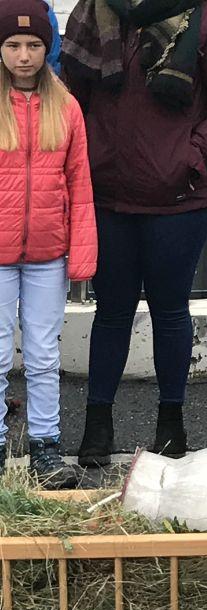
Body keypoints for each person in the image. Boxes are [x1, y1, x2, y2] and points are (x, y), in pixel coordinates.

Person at [61, 0, 207, 466]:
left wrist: (193, 157)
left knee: (170, 312)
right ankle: (97, 425)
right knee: (111, 313)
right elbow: (70, 99)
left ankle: (170, 424)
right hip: (106, 195)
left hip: (180, 200)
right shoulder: (93, 15)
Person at [0, 0, 96, 488]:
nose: (23, 55)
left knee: (42, 355)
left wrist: (81, 253)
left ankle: (45, 446)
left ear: (48, 47)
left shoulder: (66, 106)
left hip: (46, 257)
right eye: (13, 45)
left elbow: (80, 187)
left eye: (34, 44)